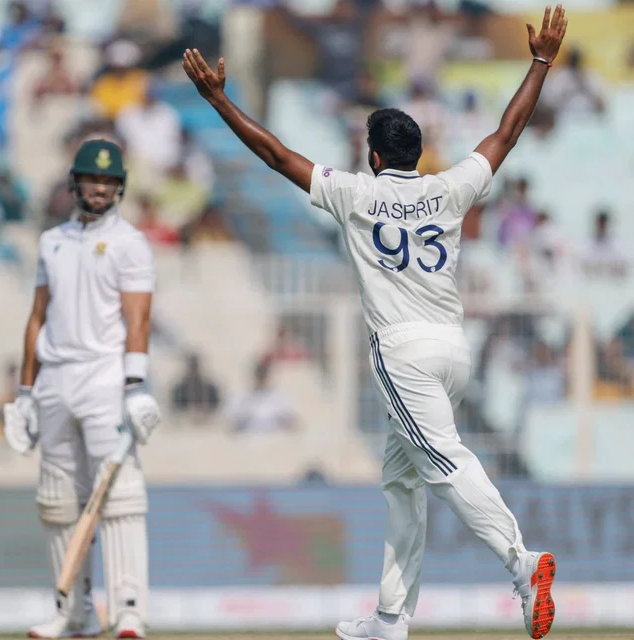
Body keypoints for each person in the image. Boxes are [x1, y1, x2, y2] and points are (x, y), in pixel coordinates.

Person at [182, 6, 568, 639]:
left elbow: (277, 154)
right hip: (452, 350)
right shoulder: (447, 189)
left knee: (442, 461)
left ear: (374, 152)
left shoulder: (357, 193)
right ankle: (391, 619)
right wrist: (541, 62)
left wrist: (220, 102)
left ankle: (521, 563)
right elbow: (506, 132)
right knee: (401, 478)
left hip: (404, 350)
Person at [3, 139, 161, 639]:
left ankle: (129, 610)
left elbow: (139, 317)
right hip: (54, 379)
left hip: (104, 377)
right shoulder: (51, 241)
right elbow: (36, 317)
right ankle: (73, 613)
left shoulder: (130, 243)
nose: (100, 188)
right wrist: (24, 392)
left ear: (120, 187)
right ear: (74, 183)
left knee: (119, 496)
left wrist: (135, 385)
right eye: (92, 179)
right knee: (56, 500)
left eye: (110, 181)